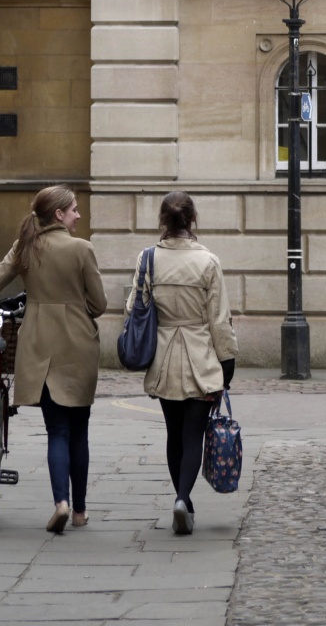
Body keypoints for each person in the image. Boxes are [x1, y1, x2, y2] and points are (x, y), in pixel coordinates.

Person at [0, 185, 107, 534]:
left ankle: (59, 502)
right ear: (59, 214)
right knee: (79, 430)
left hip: (39, 346)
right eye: (74, 209)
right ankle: (79, 512)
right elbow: (100, 304)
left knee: (56, 430)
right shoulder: (82, 249)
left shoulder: (25, 247)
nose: (78, 214)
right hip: (78, 346)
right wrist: (77, 306)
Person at [128, 190, 238, 535]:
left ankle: (183, 502)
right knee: (193, 434)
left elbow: (134, 308)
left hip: (162, 356)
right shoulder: (208, 261)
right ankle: (182, 498)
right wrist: (228, 363)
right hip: (200, 355)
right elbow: (219, 320)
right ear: (192, 220)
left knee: (173, 434)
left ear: (163, 220)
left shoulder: (148, 258)